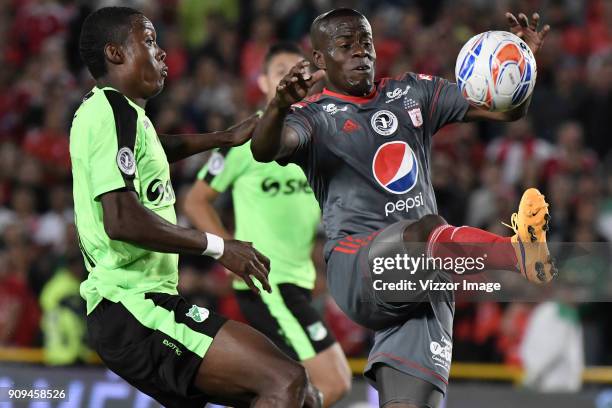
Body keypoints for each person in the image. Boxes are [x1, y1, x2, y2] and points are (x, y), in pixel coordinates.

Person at [251, 8, 555, 408]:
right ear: (320, 60)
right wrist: (276, 107)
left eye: (366, 42)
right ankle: (518, 252)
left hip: (424, 282)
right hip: (357, 264)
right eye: (346, 45)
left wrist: (519, 63)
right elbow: (265, 148)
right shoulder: (313, 117)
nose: (361, 52)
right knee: (425, 231)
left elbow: (506, 110)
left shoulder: (411, 92)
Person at [71, 7, 320, 408]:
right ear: (115, 54)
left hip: (145, 305)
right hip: (133, 307)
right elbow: (120, 219)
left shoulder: (123, 115)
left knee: (305, 396)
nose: (162, 52)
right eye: (149, 41)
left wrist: (222, 137)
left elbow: (154, 148)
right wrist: (221, 247)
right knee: (286, 381)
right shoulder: (111, 111)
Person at [184, 42, 351, 407]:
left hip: (299, 282)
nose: (293, 78)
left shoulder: (319, 140)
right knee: (333, 381)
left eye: (301, 71)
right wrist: (230, 251)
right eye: (281, 72)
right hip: (270, 282)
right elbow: (195, 202)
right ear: (263, 83)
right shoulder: (246, 140)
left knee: (288, 388)